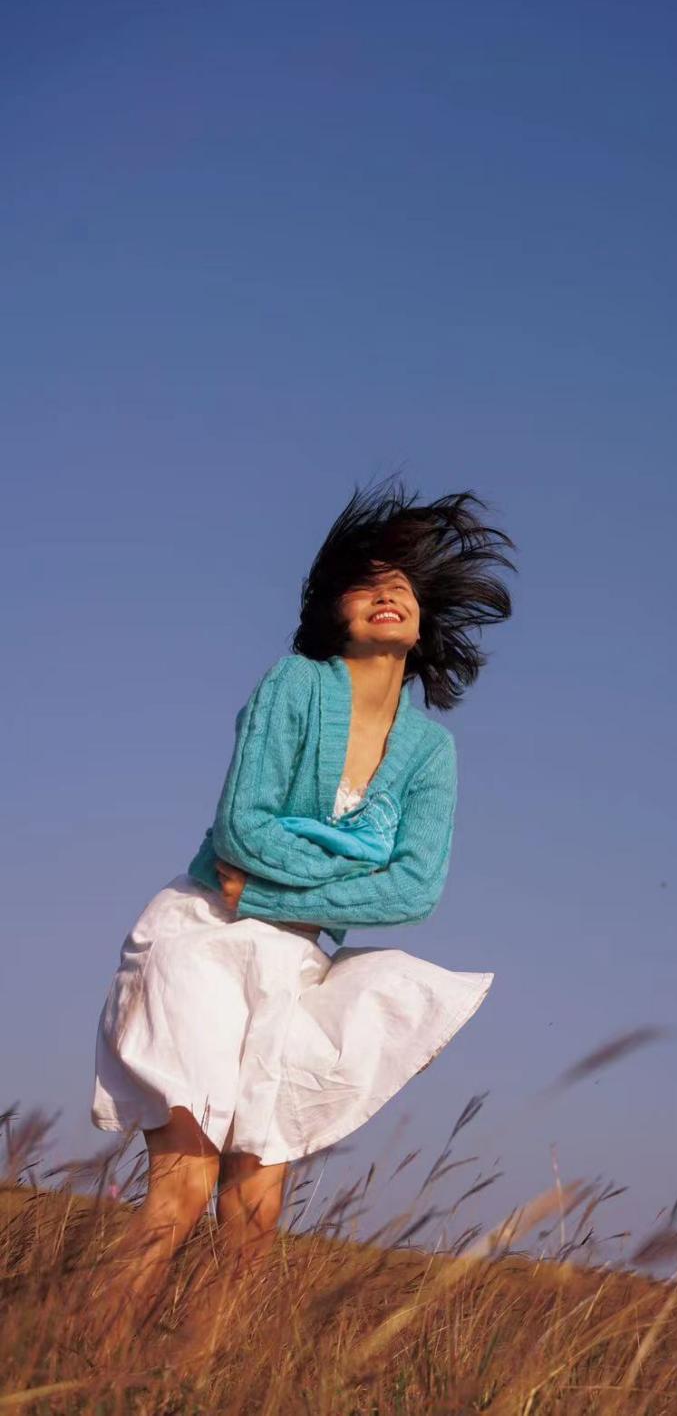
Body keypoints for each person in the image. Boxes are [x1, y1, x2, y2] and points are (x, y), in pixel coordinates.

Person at [90, 476, 517, 1328]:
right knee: (182, 1189)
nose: (387, 591)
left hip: (296, 962)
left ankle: (193, 1382)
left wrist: (278, 888)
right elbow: (240, 829)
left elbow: (414, 887)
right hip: (203, 937)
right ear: (333, 612)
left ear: (422, 615)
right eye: (365, 582)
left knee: (254, 1215)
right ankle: (84, 1358)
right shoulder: (295, 685)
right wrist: (306, 882)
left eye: (402, 583)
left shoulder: (430, 753)